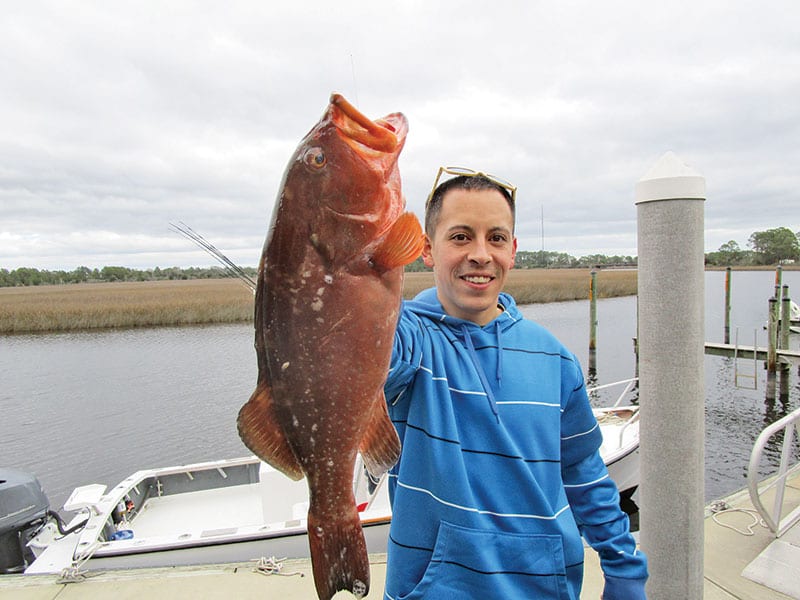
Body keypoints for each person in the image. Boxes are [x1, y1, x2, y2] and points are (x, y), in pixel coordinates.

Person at [382, 167, 648, 599]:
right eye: (461, 236)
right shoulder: (407, 339)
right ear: (426, 250)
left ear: (513, 250)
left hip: (543, 587)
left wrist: (624, 567)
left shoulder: (554, 358)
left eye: (496, 238)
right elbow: (368, 349)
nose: (481, 254)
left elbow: (583, 471)